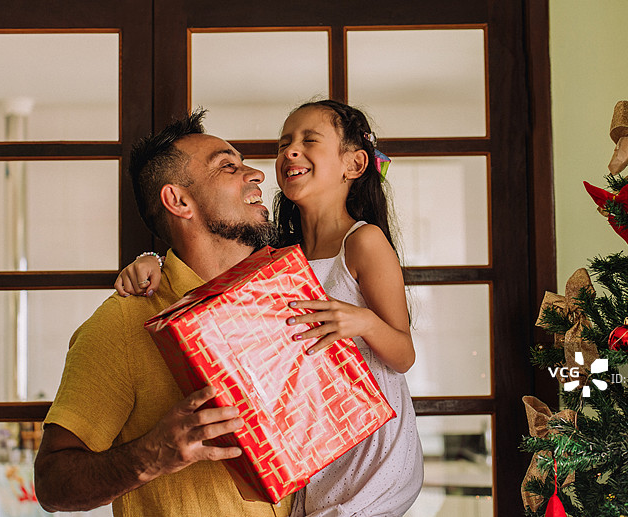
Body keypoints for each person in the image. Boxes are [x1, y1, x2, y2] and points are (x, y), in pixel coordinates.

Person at [116, 100, 424, 517]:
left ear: (354, 164)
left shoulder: (364, 241)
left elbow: (403, 356)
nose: (290, 152)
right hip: (314, 435)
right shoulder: (273, 253)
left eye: (308, 141)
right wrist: (151, 259)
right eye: (284, 143)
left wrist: (362, 320)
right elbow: (208, 267)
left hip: (372, 442)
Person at [34, 109, 292, 517]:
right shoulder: (120, 325)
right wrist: (152, 455)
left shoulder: (283, 298)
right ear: (178, 200)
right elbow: (51, 484)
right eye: (228, 166)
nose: (256, 174)